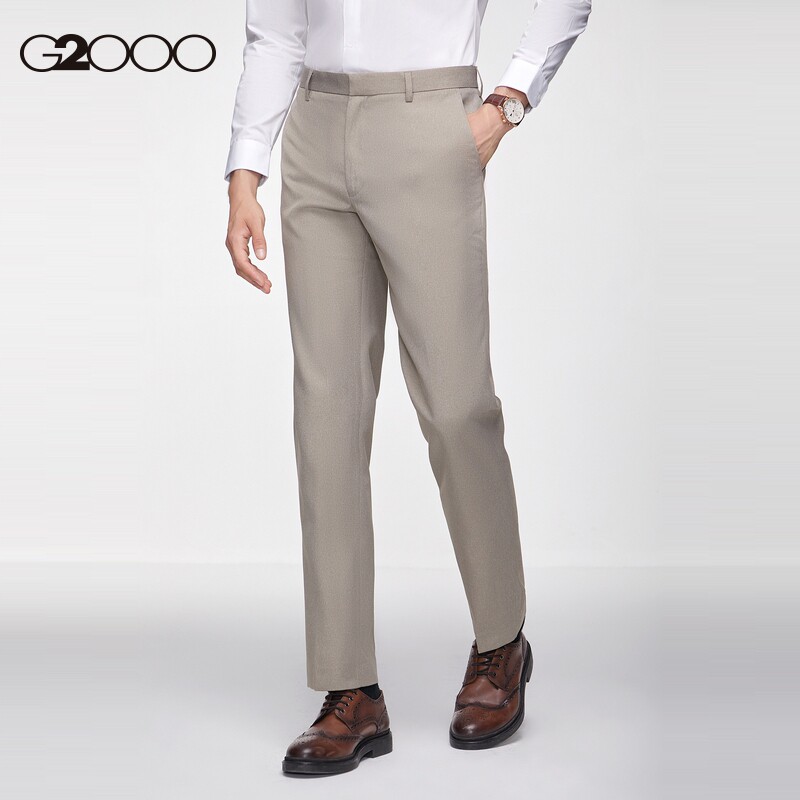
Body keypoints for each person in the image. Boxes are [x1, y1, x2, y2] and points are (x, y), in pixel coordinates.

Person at [224, 0, 592, 776]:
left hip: (432, 119)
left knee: (458, 407)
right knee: (325, 416)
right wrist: (245, 169)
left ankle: (502, 643)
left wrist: (509, 100)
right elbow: (275, 33)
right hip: (315, 129)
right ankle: (349, 690)